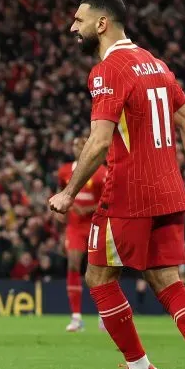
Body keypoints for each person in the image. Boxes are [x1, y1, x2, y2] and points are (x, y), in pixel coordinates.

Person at [49, 0, 185, 369]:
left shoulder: (107, 70)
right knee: (166, 278)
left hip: (130, 192)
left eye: (79, 20)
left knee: (99, 277)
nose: (72, 27)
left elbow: (99, 141)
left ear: (101, 24)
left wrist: (69, 192)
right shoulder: (156, 64)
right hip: (169, 191)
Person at [55, 135, 106, 332]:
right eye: (75, 145)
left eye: (82, 144)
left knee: (99, 270)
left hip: (96, 225)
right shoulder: (65, 171)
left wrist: (88, 209)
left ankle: (104, 315)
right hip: (75, 227)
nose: (78, 147)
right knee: (73, 264)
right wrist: (59, 211)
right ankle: (76, 317)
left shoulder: (101, 172)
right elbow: (60, 191)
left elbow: (107, 199)